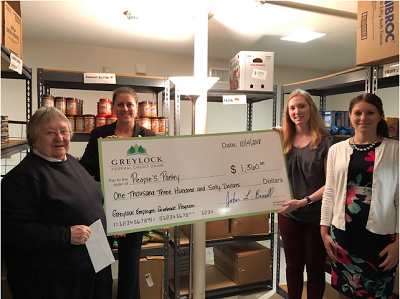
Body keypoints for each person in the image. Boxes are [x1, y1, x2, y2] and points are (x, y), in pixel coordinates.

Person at [1, 106, 107, 299]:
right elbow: (13, 231)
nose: (59, 138)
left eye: (64, 131)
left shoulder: (71, 162)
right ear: (33, 139)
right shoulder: (21, 178)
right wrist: (66, 235)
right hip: (51, 279)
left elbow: (91, 199)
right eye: (50, 132)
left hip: (90, 265)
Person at [80, 86, 156, 299]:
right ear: (113, 107)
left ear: (136, 108)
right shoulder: (100, 134)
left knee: (130, 268)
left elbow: (156, 174)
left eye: (129, 104)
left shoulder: (148, 136)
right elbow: (85, 168)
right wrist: (105, 151)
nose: (125, 108)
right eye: (120, 104)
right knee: (101, 264)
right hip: (101, 208)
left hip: (133, 210)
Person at [321, 93, 398, 299]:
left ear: (380, 116)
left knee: (376, 293)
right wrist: (324, 230)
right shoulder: (336, 150)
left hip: (380, 238)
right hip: (343, 235)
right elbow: (329, 192)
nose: (363, 117)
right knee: (345, 291)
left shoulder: (395, 150)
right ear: (350, 116)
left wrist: (399, 244)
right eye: (358, 113)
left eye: (370, 112)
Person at [274, 89, 333, 299]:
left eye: (301, 106)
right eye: (292, 108)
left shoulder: (326, 142)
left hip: (316, 215)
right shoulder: (282, 140)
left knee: (315, 267)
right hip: (288, 214)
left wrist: (304, 201)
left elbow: (330, 184)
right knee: (293, 265)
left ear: (311, 108)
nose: (297, 111)